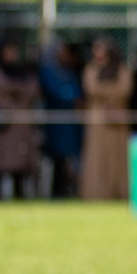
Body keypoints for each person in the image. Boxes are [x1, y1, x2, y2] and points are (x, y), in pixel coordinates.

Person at [0, 36, 43, 199]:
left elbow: (33, 90)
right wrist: (17, 90)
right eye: (7, 51)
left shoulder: (23, 71)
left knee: (20, 163)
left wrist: (15, 90)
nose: (11, 55)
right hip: (1, 123)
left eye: (13, 51)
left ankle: (20, 195)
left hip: (20, 126)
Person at [80, 38, 134, 201]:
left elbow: (125, 89)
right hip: (98, 122)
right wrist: (112, 94)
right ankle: (96, 193)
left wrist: (106, 95)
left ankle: (119, 192)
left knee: (118, 159)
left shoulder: (122, 70)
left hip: (118, 123)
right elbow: (91, 88)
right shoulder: (91, 70)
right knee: (97, 159)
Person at [39, 40, 85, 199]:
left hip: (70, 125)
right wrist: (72, 98)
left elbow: (77, 91)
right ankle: (55, 192)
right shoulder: (47, 71)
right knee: (56, 159)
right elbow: (58, 93)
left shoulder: (69, 72)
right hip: (56, 124)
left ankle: (67, 191)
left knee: (69, 160)